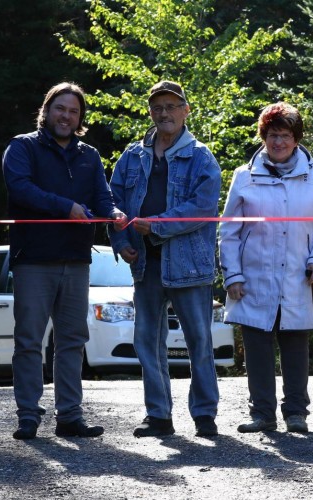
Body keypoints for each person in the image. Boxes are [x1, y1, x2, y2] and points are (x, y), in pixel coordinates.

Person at [3, 82, 126, 440]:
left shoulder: (89, 154)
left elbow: (103, 198)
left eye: (73, 111)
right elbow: (20, 188)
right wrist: (66, 208)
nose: (66, 116)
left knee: (72, 340)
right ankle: (28, 416)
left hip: (76, 260)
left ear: (80, 118)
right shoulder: (22, 146)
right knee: (28, 340)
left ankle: (69, 416)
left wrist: (114, 213)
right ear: (46, 110)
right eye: (60, 108)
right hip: (33, 260)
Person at [108, 81, 221, 437]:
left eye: (172, 106)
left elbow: (202, 209)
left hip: (190, 264)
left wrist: (154, 226)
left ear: (186, 111)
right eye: (158, 107)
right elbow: (111, 201)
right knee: (146, 342)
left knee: (199, 341)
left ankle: (204, 415)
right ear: (150, 112)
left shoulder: (201, 156)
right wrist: (121, 239)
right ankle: (159, 416)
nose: (164, 113)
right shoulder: (132, 155)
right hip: (144, 265)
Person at [219, 102, 313, 433]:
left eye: (285, 135)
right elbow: (229, 230)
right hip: (253, 277)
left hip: (300, 277)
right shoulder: (244, 176)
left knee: (295, 344)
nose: (278, 143)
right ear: (263, 137)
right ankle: (262, 414)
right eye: (272, 135)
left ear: (296, 138)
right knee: (257, 347)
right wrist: (233, 274)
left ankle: (296, 413)